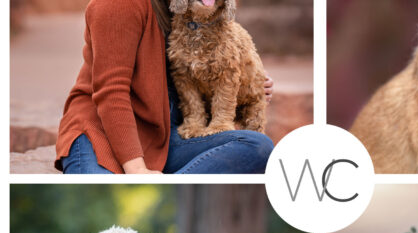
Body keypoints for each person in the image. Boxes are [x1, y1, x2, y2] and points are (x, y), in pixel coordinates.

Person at [54, 0, 274, 174]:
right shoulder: (118, 4)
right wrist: (137, 170)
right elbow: (112, 93)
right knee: (99, 189)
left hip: (163, 135)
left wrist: (249, 82)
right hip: (102, 133)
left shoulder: (191, 9)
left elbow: (210, 70)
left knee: (257, 147)